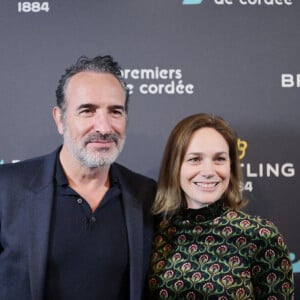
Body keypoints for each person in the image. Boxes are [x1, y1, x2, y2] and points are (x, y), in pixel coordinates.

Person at [0, 55, 156, 300]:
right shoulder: (6, 188)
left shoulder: (146, 195)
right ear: (60, 119)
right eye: (87, 110)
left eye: (115, 111)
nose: (104, 128)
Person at [146, 113, 294, 299]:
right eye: (195, 159)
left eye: (220, 159)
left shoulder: (260, 235)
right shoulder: (155, 233)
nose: (209, 171)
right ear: (175, 166)